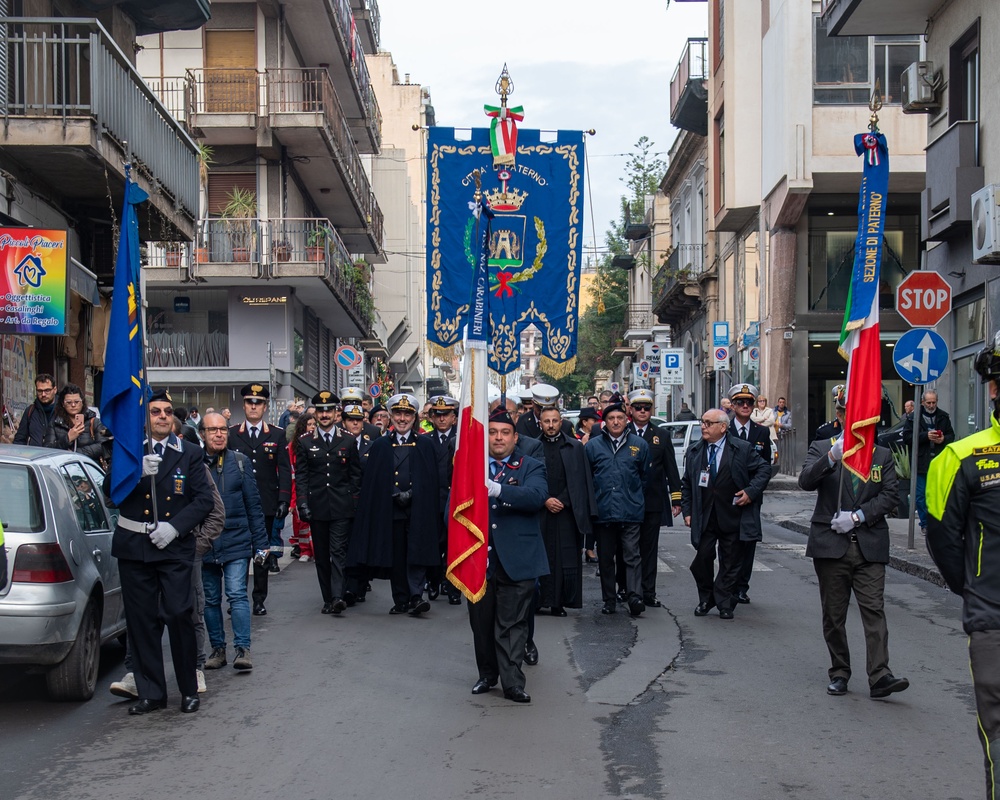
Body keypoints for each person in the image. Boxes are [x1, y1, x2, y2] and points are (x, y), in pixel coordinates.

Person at [107, 389, 215, 715]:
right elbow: (110, 493)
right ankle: (151, 693)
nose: (163, 417)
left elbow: (204, 500)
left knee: (180, 615)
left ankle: (187, 689)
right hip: (135, 546)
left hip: (173, 547)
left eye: (168, 411)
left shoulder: (190, 452)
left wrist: (176, 527)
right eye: (156, 412)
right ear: (145, 417)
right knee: (141, 623)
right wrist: (134, 473)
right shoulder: (127, 450)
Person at [926, 330, 1000, 799]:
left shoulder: (960, 455)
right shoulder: (958, 457)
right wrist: (975, 591)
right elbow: (942, 540)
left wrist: (973, 589)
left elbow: (945, 544)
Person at [798, 387, 908, 699]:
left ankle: (880, 675)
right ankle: (840, 671)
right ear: (841, 414)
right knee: (834, 616)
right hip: (831, 545)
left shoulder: (881, 454)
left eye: (864, 414)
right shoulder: (823, 447)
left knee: (874, 610)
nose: (857, 419)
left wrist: (859, 516)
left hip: (869, 544)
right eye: (850, 412)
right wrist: (832, 457)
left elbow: (890, 496)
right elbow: (806, 481)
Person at [468, 406, 549, 703]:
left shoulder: (530, 465)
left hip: (519, 556)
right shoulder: (470, 466)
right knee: (481, 622)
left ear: (516, 437)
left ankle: (512, 681)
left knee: (513, 623)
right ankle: (487, 675)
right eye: (491, 432)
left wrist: (498, 490)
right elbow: (453, 507)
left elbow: (537, 496)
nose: (498, 438)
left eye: (504, 433)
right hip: (479, 558)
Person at [349, 393, 448, 615]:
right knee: (396, 554)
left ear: (414, 418)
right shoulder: (381, 445)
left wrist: (413, 492)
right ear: (391, 416)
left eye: (407, 414)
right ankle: (401, 598)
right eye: (398, 414)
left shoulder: (425, 444)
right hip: (391, 509)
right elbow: (374, 480)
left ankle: (416, 596)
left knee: (417, 552)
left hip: (417, 508)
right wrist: (393, 492)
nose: (402, 418)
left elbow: (432, 480)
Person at [681, 408, 771, 620]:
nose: (703, 426)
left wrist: (751, 491)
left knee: (731, 562)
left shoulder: (741, 448)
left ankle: (723, 602)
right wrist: (687, 510)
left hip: (733, 514)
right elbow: (686, 484)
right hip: (705, 515)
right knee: (702, 559)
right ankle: (707, 596)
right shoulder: (695, 450)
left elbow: (763, 469)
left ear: (723, 427)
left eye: (709, 423)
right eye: (703, 422)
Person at [201, 413, 268, 672]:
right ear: (203, 434)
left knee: (237, 593)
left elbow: (254, 505)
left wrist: (261, 544)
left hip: (236, 539)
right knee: (210, 599)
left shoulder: (239, 462)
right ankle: (218, 649)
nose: (218, 434)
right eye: (212, 430)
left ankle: (243, 649)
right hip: (205, 541)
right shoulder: (194, 463)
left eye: (222, 430)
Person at [295, 391, 362, 615]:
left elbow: (355, 476)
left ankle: (337, 597)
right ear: (315, 413)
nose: (325, 415)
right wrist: (302, 503)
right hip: (317, 507)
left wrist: (354, 503)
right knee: (322, 556)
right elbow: (302, 476)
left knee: (338, 552)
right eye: (321, 410)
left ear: (336, 413)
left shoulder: (348, 440)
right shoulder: (305, 442)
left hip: (342, 507)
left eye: (329, 410)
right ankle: (327, 598)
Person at [228, 383, 291, 616]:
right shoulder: (232, 434)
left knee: (261, 553)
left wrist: (284, 499)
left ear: (265, 407)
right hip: (237, 504)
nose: (253, 407)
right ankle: (238, 597)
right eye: (249, 402)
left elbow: (284, 469)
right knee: (238, 553)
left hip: (264, 504)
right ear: (244, 405)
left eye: (258, 403)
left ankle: (258, 598)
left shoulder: (276, 434)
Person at [586, 399, 649, 617]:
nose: (616, 422)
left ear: (626, 420)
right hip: (603, 512)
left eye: (620, 418)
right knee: (605, 558)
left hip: (630, 510)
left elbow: (644, 477)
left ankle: (634, 596)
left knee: (632, 556)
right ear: (604, 423)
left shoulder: (639, 445)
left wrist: (634, 498)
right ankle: (609, 599)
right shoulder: (593, 446)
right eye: (611, 418)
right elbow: (588, 479)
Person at [537, 405, 596, 616]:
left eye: (554, 421)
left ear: (561, 422)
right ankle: (539, 600)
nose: (551, 425)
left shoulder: (574, 447)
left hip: (566, 510)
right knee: (540, 555)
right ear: (540, 423)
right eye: (546, 421)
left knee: (565, 557)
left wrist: (561, 500)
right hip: (540, 510)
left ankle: (558, 602)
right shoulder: (533, 447)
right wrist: (545, 499)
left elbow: (579, 480)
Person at [626, 388, 682, 608]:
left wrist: (676, 499)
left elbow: (671, 469)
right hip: (628, 500)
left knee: (649, 549)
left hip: (652, 500)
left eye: (646, 408)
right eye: (638, 407)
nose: (642, 411)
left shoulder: (662, 435)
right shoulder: (623, 431)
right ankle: (629, 589)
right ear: (630, 409)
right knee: (628, 548)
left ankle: (648, 592)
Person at [728, 384, 774, 603]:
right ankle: (728, 583)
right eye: (740, 402)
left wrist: (752, 491)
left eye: (749, 402)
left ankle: (742, 587)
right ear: (733, 405)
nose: (745, 406)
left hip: (752, 496)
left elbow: (766, 467)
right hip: (728, 496)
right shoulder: (723, 428)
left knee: (748, 543)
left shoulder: (761, 432)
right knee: (728, 542)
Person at [901, 389, 955, 534]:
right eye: (929, 402)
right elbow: (906, 438)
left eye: (934, 402)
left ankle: (936, 522)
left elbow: (951, 435)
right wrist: (926, 436)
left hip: (938, 461)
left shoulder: (943, 416)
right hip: (920, 462)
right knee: (920, 495)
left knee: (938, 494)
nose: (931, 405)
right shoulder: (913, 418)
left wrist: (943, 439)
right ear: (923, 402)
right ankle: (925, 523)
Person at [42, 383, 111, 464]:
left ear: (82, 402)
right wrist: (68, 438)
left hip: (90, 469)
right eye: (69, 402)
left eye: (77, 402)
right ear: (63, 404)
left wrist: (74, 453)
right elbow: (47, 450)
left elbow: (102, 445)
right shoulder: (55, 423)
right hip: (63, 468)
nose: (73, 405)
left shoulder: (93, 421)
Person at [287, 412, 316, 562]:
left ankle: (315, 549)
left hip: (315, 486)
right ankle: (304, 550)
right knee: (301, 520)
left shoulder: (318, 442)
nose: (311, 428)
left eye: (313, 425)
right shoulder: (294, 445)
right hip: (298, 486)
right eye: (308, 424)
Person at [13, 373, 58, 446]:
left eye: (47, 390)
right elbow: (20, 439)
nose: (43, 394)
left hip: (58, 456)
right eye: (40, 391)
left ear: (55, 390)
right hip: (35, 456)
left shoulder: (63, 410)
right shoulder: (30, 410)